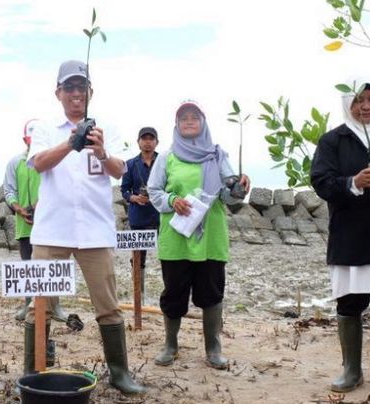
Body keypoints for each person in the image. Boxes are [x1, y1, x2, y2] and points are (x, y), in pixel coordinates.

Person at [23, 60, 145, 394]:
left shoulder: (108, 127)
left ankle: (120, 374)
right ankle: (32, 371)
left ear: (90, 92)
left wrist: (101, 151)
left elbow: (121, 170)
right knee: (40, 304)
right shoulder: (45, 127)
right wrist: (71, 143)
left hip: (95, 231)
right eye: (69, 88)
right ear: (58, 93)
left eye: (81, 88)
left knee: (107, 303)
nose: (76, 94)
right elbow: (38, 163)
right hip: (51, 231)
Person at [148, 101, 249, 370]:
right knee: (174, 294)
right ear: (176, 125)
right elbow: (154, 191)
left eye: (195, 117)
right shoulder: (166, 157)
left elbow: (228, 195)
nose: (189, 121)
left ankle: (213, 348)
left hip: (210, 238)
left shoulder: (217, 156)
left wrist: (239, 187)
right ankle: (170, 344)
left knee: (212, 293)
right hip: (177, 237)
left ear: (203, 122)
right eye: (184, 118)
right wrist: (172, 200)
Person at [311, 78, 370, 395]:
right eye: (358, 101)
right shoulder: (333, 140)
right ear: (347, 104)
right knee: (350, 304)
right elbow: (321, 182)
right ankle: (351, 371)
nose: (366, 106)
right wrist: (353, 182)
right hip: (349, 235)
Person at [3, 119, 68, 322]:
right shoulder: (15, 162)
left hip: (50, 223)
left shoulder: (54, 160)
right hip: (25, 225)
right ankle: (28, 305)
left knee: (53, 266)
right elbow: (9, 189)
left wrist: (44, 203)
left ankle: (55, 306)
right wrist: (18, 208)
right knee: (28, 266)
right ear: (25, 140)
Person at [120, 126, 160, 284]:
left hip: (160, 214)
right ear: (138, 142)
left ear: (157, 142)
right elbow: (124, 190)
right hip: (138, 216)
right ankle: (139, 291)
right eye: (144, 139)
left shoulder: (164, 161)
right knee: (138, 256)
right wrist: (134, 198)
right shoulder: (130, 164)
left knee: (168, 254)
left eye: (151, 139)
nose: (148, 143)